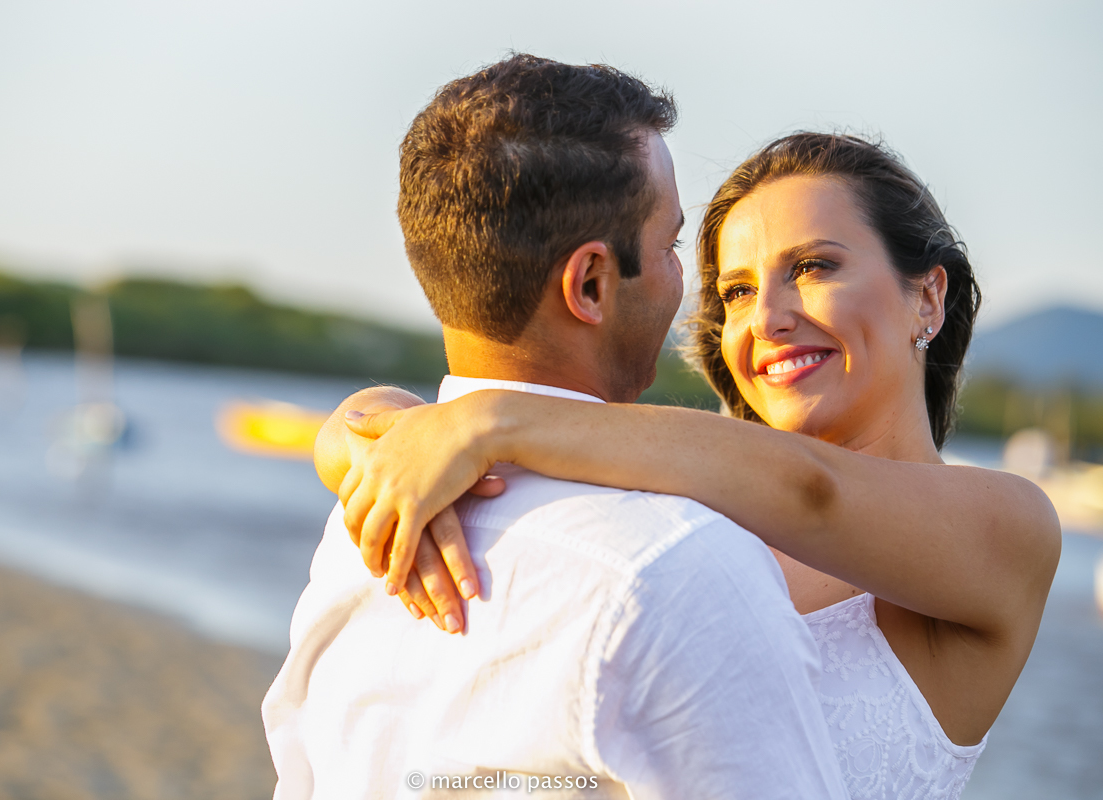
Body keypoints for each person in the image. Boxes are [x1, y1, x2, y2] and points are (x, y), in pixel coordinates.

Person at [320, 133, 1062, 800]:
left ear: (926, 296)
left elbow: (814, 492)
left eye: (812, 267)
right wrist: (367, 430)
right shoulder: (687, 493)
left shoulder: (1008, 527)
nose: (766, 317)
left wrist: (485, 419)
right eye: (737, 291)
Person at [263, 55, 851, 799]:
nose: (685, 281)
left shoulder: (355, 533)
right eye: (671, 245)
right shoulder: (678, 570)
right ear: (592, 283)